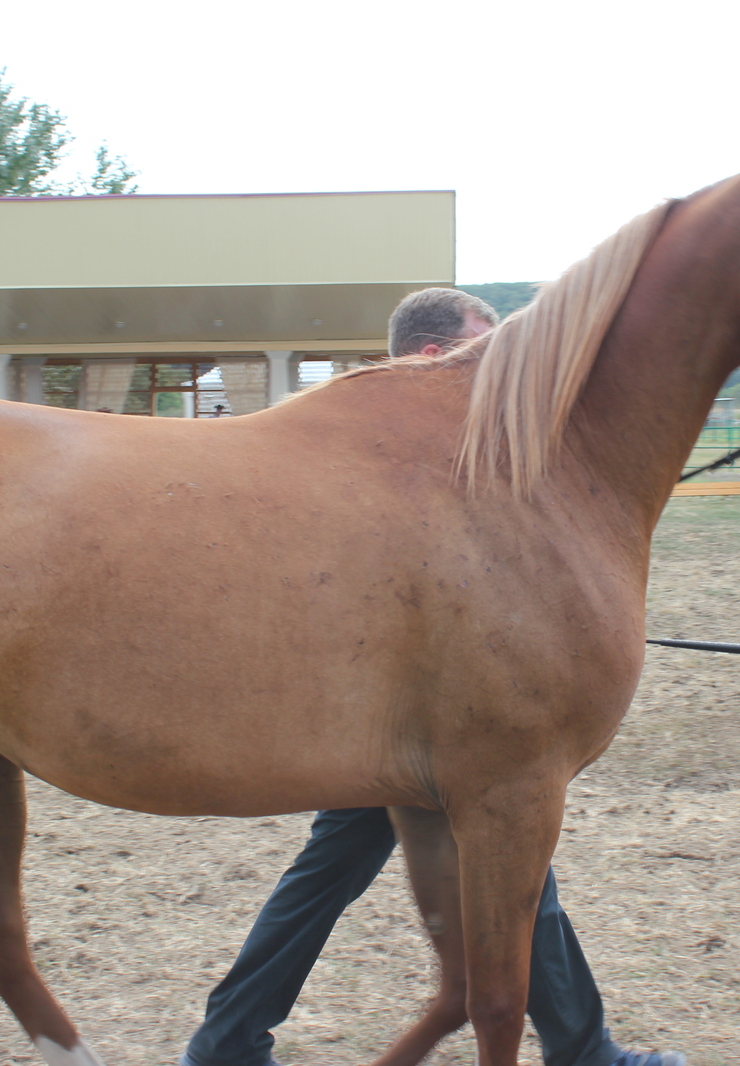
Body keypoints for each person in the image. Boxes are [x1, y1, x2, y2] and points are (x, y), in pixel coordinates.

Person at [180, 288, 682, 1066]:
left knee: (349, 870)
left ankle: (225, 1042)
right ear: (433, 359)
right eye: (484, 352)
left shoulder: (420, 464)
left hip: (382, 716)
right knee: (503, 849)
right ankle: (586, 1052)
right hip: (381, 716)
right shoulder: (394, 458)